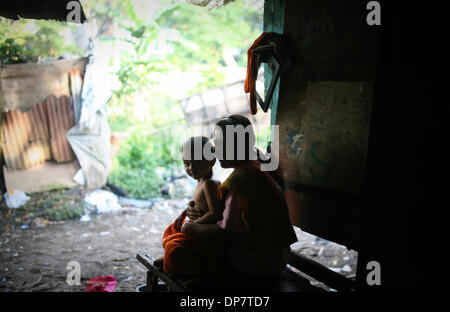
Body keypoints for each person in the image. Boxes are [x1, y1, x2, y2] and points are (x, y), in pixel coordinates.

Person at [182, 115, 297, 288]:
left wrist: (188, 227)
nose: (214, 150)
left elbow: (226, 235)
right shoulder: (257, 166)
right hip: (277, 256)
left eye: (221, 145)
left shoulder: (239, 182)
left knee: (189, 235)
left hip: (258, 264)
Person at [154, 136, 223, 278]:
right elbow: (199, 203)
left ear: (211, 161)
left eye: (197, 162)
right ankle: (169, 255)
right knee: (172, 230)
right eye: (187, 163)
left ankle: (175, 261)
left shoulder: (210, 184)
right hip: (196, 226)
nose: (191, 168)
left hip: (204, 234)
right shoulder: (201, 180)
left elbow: (215, 213)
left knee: (175, 248)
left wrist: (195, 225)